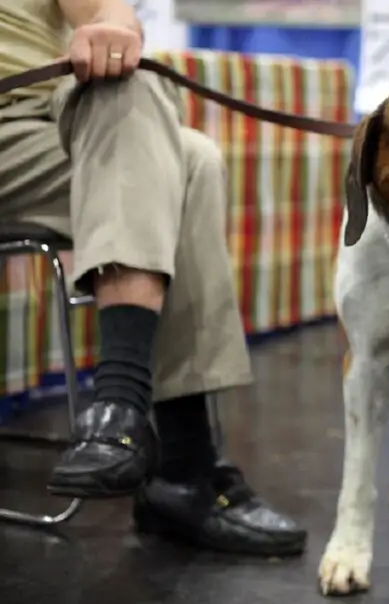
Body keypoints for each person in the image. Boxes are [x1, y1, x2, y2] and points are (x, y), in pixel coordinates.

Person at [0, 0, 307, 556]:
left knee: (173, 137)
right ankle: (180, 458)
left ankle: (145, 437)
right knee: (186, 162)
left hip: (49, 116)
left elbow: (105, 7)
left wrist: (113, 30)